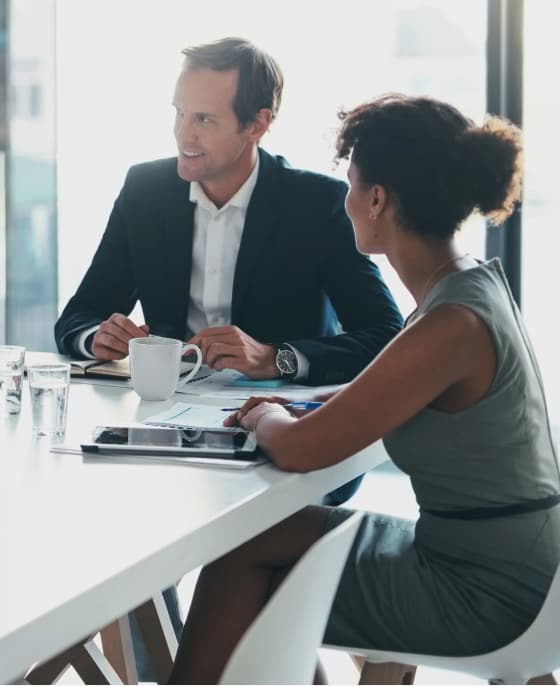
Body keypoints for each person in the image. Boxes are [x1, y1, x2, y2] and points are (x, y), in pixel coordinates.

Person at [168, 94, 560, 684]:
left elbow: (301, 449)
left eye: (351, 185)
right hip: (512, 561)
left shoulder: (450, 323)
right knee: (255, 549)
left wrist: (264, 417)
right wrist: (297, 404)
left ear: (377, 200)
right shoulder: (468, 284)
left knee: (241, 564)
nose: (345, 202)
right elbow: (379, 392)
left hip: (488, 592)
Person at [53, 38, 402, 680]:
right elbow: (75, 320)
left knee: (242, 553)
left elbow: (386, 331)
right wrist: (95, 339)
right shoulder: (146, 188)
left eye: (204, 119)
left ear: (258, 123)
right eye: (179, 113)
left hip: (284, 440)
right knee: (108, 533)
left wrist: (279, 359)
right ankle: (159, 670)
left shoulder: (318, 203)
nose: (183, 134)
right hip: (166, 437)